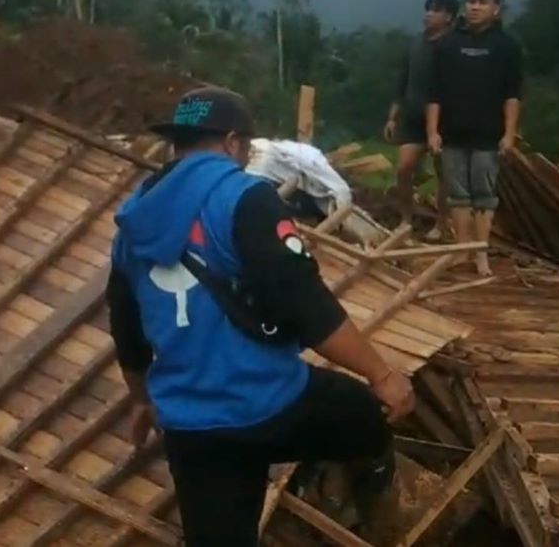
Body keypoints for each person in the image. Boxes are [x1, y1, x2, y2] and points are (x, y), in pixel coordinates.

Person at [106, 86, 415, 547]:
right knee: (363, 414)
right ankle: (376, 506)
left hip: (193, 430)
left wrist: (142, 398)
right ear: (233, 142)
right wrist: (383, 374)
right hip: (272, 404)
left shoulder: (134, 219)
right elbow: (305, 304)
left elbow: (126, 323)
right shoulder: (245, 198)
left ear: (178, 143)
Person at [426, 0, 523, 276]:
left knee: (484, 195)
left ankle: (481, 253)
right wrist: (432, 131)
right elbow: (435, 94)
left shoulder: (507, 47)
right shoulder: (448, 45)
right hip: (453, 133)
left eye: (482, 2)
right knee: (457, 194)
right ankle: (462, 249)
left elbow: (513, 95)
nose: (475, 7)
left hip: (488, 135)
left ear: (497, 8)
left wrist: (509, 133)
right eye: (471, 1)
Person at [384, 0, 460, 240]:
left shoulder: (455, 45)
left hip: (446, 119)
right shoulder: (415, 44)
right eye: (428, 9)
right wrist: (393, 117)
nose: (429, 14)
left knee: (444, 174)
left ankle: (441, 222)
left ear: (449, 17)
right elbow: (402, 82)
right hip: (413, 117)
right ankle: (406, 218)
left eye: (436, 10)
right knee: (404, 168)